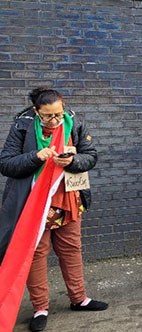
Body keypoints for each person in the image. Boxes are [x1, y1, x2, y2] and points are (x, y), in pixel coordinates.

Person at [0, 88, 107, 332]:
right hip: (33, 203)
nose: (55, 120)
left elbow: (90, 156)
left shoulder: (74, 121)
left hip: (69, 197)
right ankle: (40, 308)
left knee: (71, 249)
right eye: (48, 116)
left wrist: (73, 161)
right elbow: (5, 163)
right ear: (36, 112)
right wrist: (35, 157)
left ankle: (79, 299)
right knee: (36, 254)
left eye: (58, 114)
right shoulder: (22, 126)